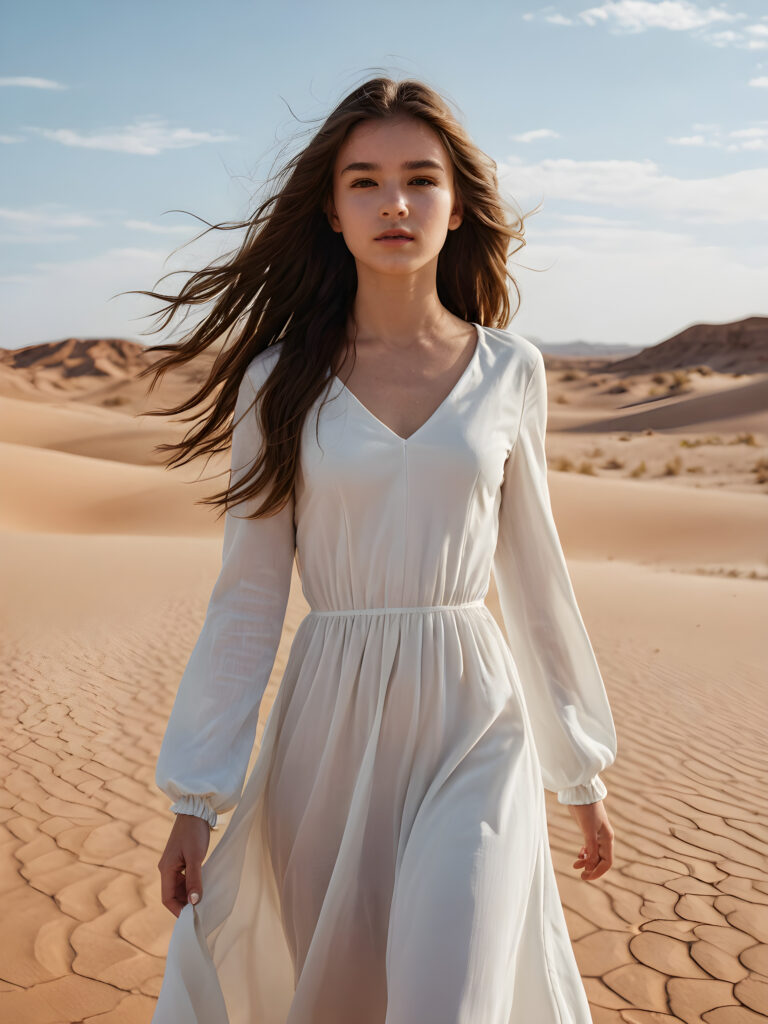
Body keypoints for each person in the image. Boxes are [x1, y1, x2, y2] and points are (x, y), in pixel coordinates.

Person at [139, 75, 617, 1024]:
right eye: (365, 181)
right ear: (332, 207)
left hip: (475, 717)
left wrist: (579, 769)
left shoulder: (510, 369)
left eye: (420, 178)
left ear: (457, 203)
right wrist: (196, 795)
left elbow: (534, 578)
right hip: (329, 729)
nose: (394, 203)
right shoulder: (280, 382)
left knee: (451, 996)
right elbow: (247, 595)